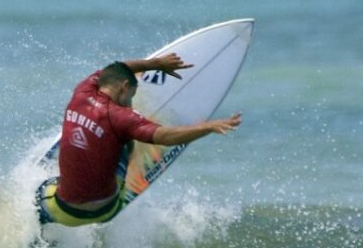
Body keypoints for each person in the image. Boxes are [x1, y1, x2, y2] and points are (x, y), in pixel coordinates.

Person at [36, 53, 242, 226]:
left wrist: (155, 64)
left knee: (41, 192)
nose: (130, 102)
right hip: (105, 210)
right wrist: (207, 127)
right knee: (126, 139)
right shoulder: (122, 118)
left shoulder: (82, 90)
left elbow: (119, 68)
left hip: (61, 210)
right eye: (131, 95)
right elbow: (165, 137)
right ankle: (122, 171)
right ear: (124, 86)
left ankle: (39, 232)